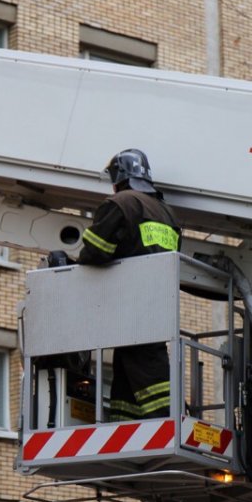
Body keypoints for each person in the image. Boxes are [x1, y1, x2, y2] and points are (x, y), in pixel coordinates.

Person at [77, 149, 181, 420]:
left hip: (130, 304)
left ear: (119, 178)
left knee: (146, 368)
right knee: (130, 366)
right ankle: (127, 422)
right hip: (158, 306)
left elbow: (94, 252)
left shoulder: (121, 202)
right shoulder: (166, 213)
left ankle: (164, 419)